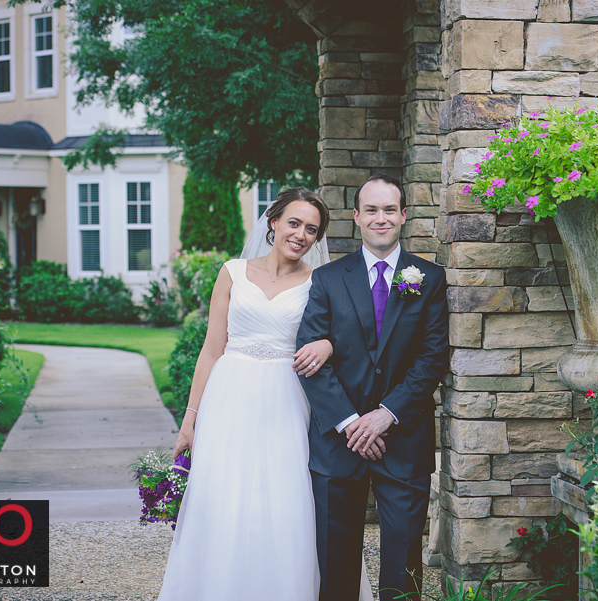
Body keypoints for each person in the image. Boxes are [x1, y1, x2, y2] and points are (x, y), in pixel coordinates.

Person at [157, 188, 373, 601]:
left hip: (287, 395)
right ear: (273, 222)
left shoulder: (320, 280)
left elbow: (348, 336)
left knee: (286, 498)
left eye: (312, 229)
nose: (301, 234)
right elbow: (211, 347)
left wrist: (327, 345)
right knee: (222, 496)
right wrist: (191, 417)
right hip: (229, 393)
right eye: (294, 223)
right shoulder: (232, 272)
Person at [297, 174, 449, 601]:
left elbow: (433, 357)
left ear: (403, 215)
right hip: (337, 442)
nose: (380, 218)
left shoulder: (429, 278)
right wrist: (350, 423)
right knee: (336, 564)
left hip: (403, 437)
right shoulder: (327, 279)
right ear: (356, 217)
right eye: (371, 210)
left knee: (403, 563)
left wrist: (386, 414)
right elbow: (309, 359)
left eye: (389, 210)